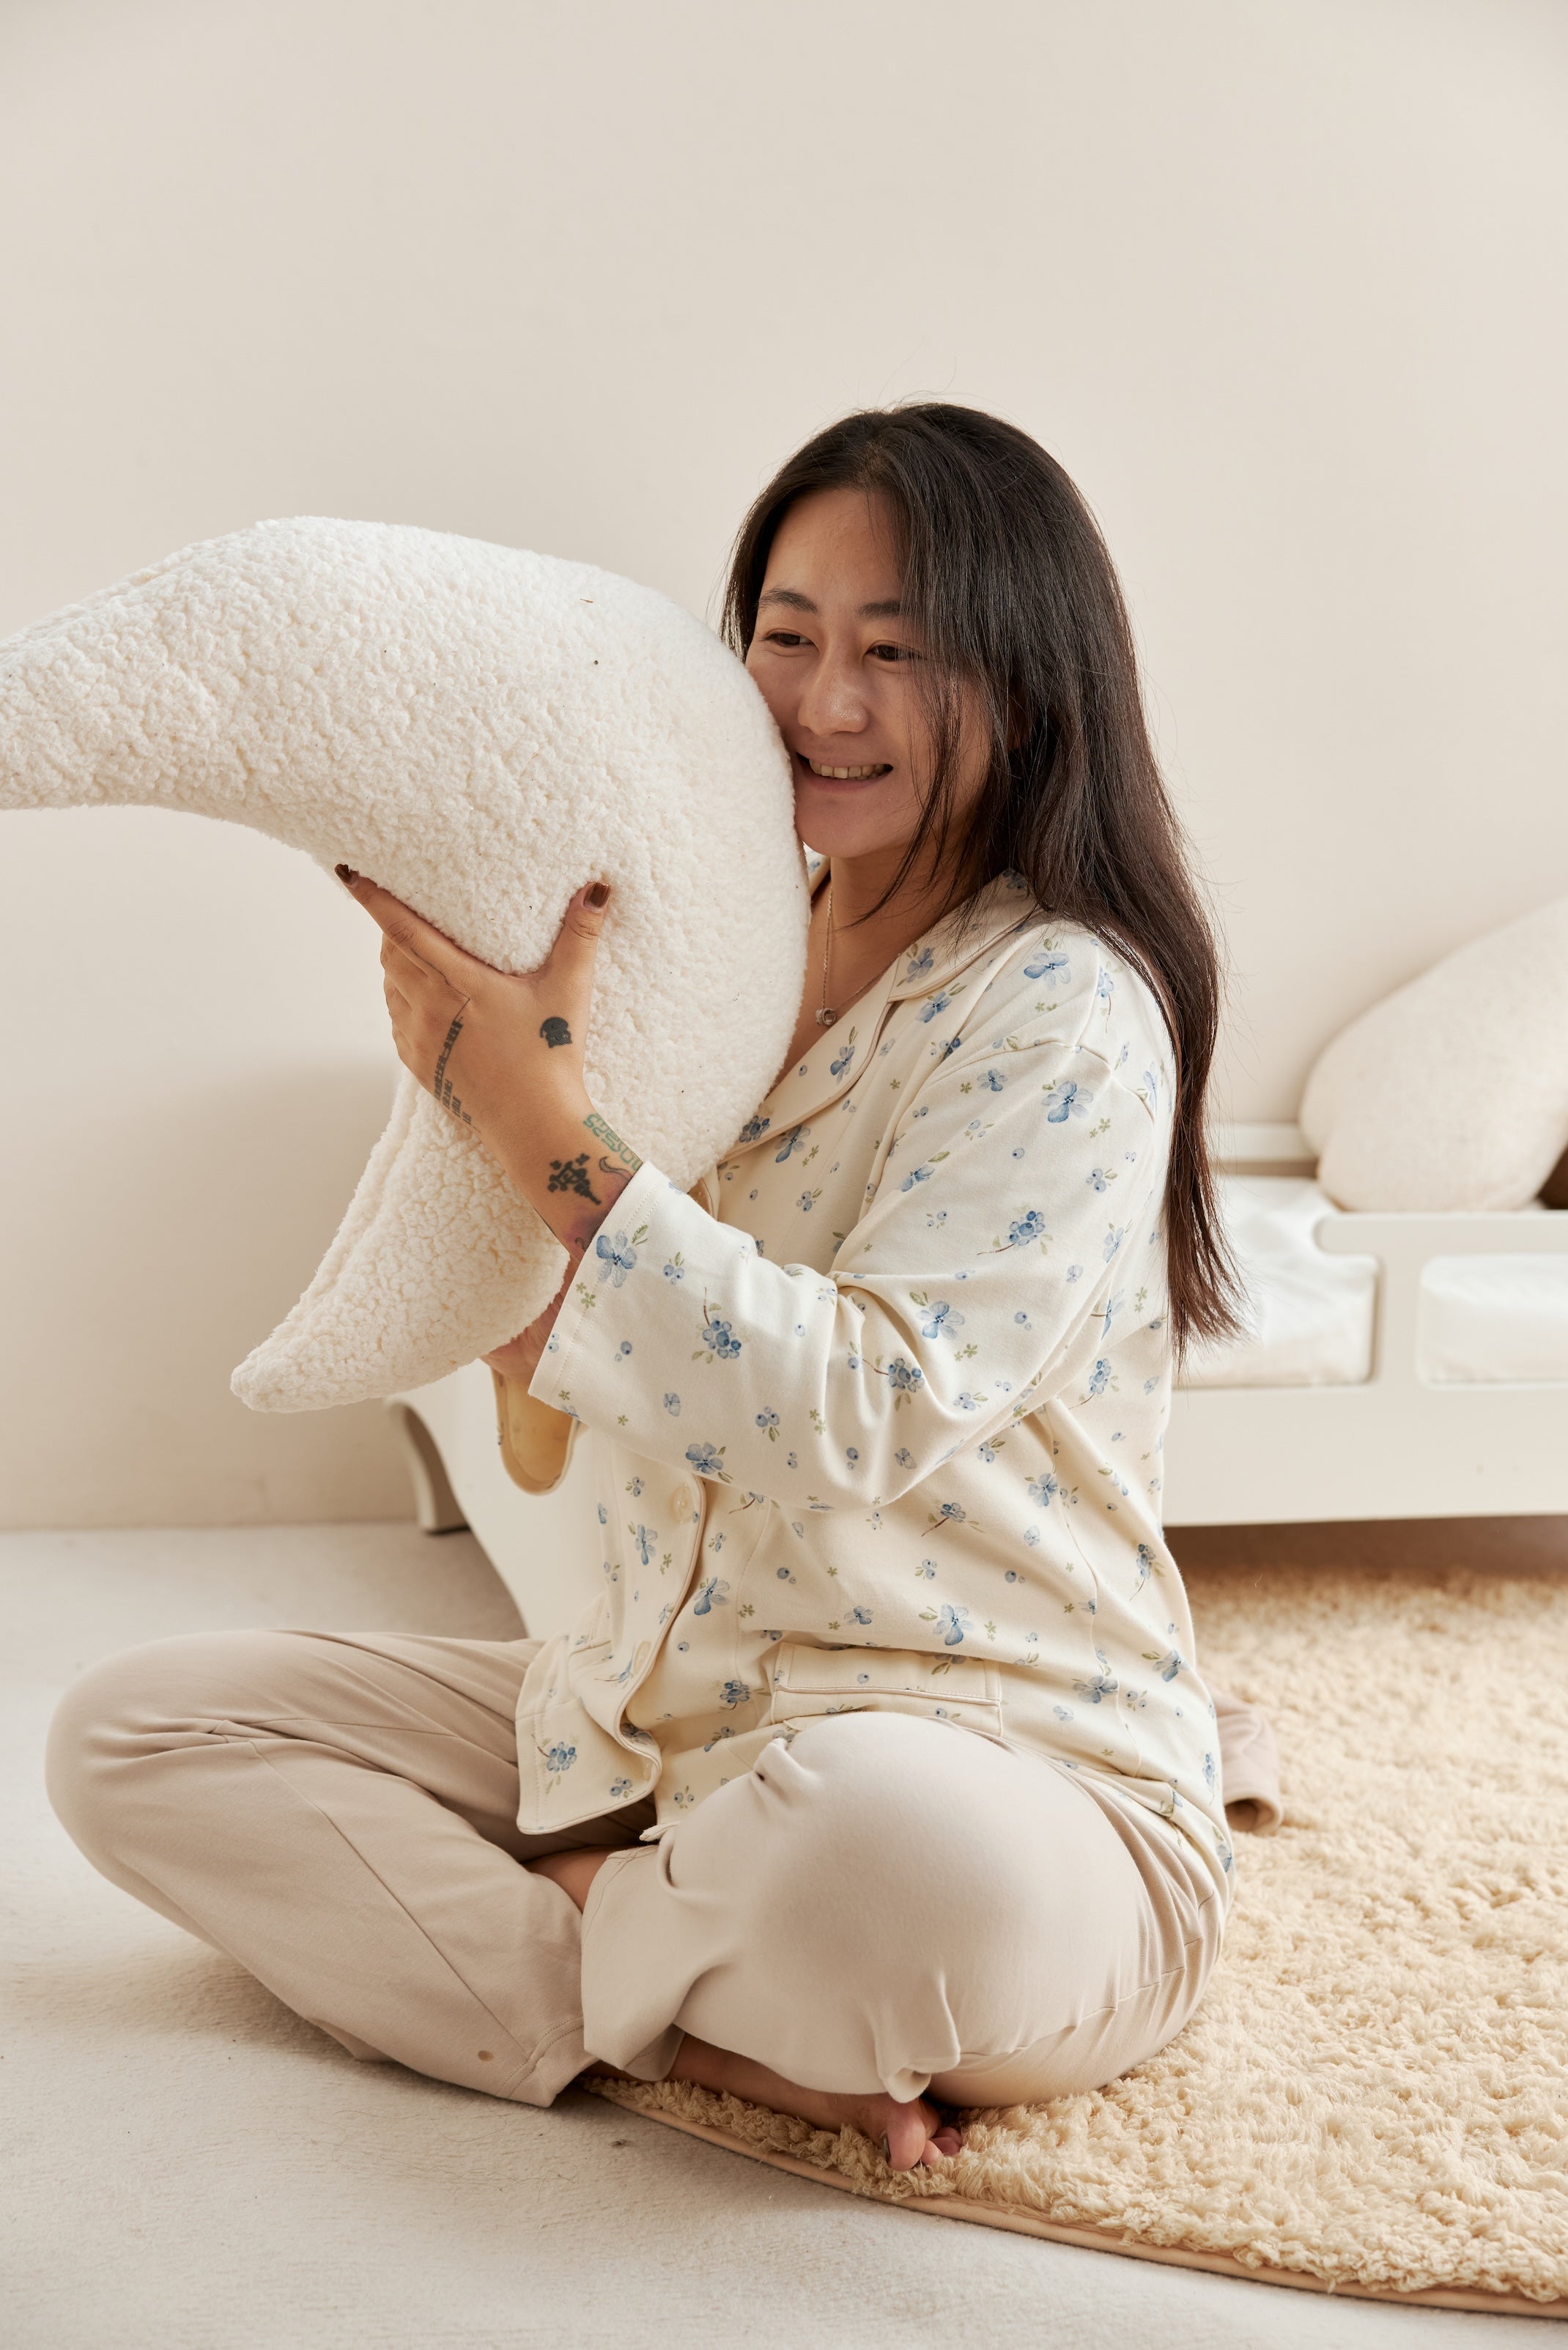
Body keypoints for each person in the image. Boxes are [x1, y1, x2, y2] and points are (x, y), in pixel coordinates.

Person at [47, 403, 1250, 2175]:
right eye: (786, 635)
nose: (825, 703)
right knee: (129, 1734)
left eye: (896, 654)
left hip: (994, 1762)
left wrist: (544, 1125)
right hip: (653, 1718)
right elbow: (558, 1393)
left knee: (871, 1852)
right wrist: (480, 1100)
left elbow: (859, 1405)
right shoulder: (714, 952)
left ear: (1025, 677)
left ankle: (627, 1932)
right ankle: (669, 1998)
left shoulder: (1063, 1007)